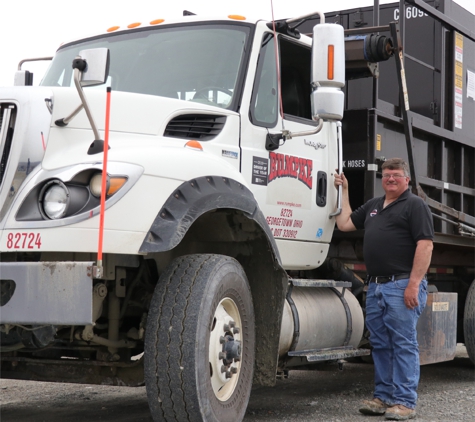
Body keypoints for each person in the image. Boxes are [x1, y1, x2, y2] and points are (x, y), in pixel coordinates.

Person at [333, 158, 434, 421]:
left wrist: (413, 284)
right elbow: (344, 224)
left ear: (407, 180)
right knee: (380, 344)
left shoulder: (415, 205)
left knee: (402, 343)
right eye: (386, 174)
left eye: (396, 175)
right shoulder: (374, 206)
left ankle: (404, 402)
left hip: (401, 285)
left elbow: (425, 246)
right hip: (376, 286)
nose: (390, 178)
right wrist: (344, 191)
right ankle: (384, 398)